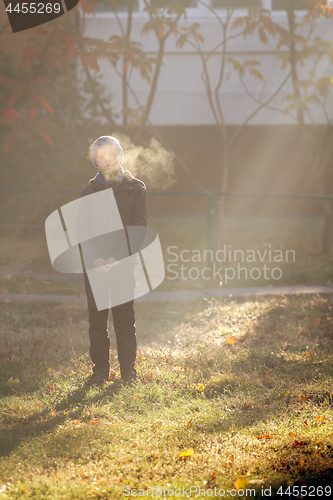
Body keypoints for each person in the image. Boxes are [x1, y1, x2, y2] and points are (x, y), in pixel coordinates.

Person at [77, 136, 147, 387]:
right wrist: (95, 258)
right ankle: (100, 373)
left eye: (110, 154)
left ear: (119, 155)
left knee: (124, 319)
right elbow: (82, 231)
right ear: (95, 160)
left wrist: (118, 258)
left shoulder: (135, 189)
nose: (106, 160)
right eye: (100, 156)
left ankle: (128, 373)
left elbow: (139, 229)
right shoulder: (89, 191)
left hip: (123, 264)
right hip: (95, 266)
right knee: (97, 320)